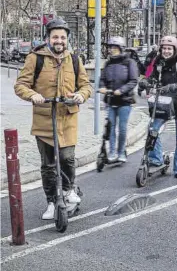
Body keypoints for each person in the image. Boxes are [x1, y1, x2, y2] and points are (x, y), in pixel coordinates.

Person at [14, 18, 92, 220]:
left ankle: (68, 190)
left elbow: (85, 85)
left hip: (67, 119)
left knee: (67, 158)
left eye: (63, 37)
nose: (59, 41)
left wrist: (81, 95)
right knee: (48, 165)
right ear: (48, 38)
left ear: (67, 40)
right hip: (44, 119)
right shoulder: (35, 58)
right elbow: (21, 85)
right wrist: (32, 95)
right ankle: (51, 201)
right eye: (55, 37)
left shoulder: (74, 59)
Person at [139, 36, 177, 178]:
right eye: (164, 48)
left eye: (169, 48)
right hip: (164, 103)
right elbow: (150, 75)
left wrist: (172, 86)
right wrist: (145, 82)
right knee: (152, 129)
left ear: (175, 49)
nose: (166, 51)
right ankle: (156, 159)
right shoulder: (158, 60)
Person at [99, 37, 138, 162]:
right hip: (111, 100)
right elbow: (102, 79)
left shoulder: (129, 62)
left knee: (122, 128)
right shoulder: (108, 63)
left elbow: (133, 80)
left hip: (125, 101)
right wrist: (102, 87)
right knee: (110, 127)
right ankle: (112, 152)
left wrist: (121, 90)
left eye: (114, 48)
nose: (111, 50)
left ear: (120, 49)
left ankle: (121, 152)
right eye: (110, 48)